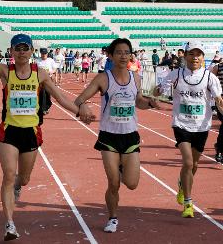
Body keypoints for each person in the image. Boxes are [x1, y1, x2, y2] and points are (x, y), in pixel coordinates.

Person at [0, 32, 93, 241]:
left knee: (23, 179)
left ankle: (18, 185)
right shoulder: (5, 71)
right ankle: (9, 224)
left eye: (26, 48)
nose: (22, 52)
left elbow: (60, 97)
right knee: (8, 175)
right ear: (12, 52)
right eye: (18, 48)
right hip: (9, 131)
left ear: (32, 51)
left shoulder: (40, 74)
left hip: (31, 132)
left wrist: (79, 112)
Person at [75, 38, 159, 233]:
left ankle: (122, 168)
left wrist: (150, 103)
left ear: (131, 55)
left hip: (130, 136)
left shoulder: (136, 77)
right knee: (113, 183)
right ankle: (112, 218)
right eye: (119, 52)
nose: (123, 56)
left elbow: (139, 102)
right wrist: (84, 105)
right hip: (109, 137)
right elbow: (79, 99)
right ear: (111, 56)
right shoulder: (103, 78)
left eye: (126, 52)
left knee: (131, 184)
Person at [153, 41, 223, 218]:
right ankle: (188, 202)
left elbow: (219, 99)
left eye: (198, 54)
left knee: (194, 164)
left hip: (202, 125)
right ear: (185, 55)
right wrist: (157, 90)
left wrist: (221, 106)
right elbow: (158, 90)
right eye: (191, 54)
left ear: (203, 57)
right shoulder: (176, 74)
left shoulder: (209, 77)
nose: (195, 58)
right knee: (188, 162)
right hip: (181, 123)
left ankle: (183, 184)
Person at [210, 59, 223, 163]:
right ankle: (219, 150)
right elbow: (210, 83)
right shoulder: (217, 67)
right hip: (221, 100)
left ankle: (219, 146)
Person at [37, 48, 56, 115]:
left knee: (48, 94)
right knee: (42, 94)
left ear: (47, 54)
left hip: (49, 79)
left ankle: (47, 106)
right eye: (42, 53)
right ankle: (42, 109)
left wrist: (51, 72)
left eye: (45, 53)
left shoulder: (50, 60)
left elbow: (55, 69)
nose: (43, 55)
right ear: (40, 53)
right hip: (41, 81)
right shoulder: (38, 61)